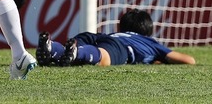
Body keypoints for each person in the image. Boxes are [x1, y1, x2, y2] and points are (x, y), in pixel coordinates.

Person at [36, 9, 196, 67]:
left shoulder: (117, 33)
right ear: (147, 31)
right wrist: (160, 59)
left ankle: (51, 48)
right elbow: (189, 60)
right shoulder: (150, 42)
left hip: (99, 36)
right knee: (103, 57)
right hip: (119, 47)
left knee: (68, 52)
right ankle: (77, 52)